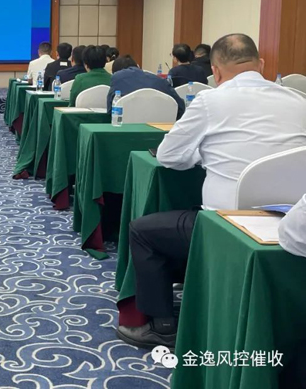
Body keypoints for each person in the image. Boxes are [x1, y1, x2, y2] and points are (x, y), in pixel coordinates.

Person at [117, 34, 306, 350]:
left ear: (215, 72)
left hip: (227, 226)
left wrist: (205, 154)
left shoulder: (210, 101)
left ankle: (162, 326)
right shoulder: (299, 100)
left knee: (143, 232)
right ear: (261, 64)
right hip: (293, 222)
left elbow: (169, 156)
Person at [107, 56, 185, 119]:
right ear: (138, 66)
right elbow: (180, 107)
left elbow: (110, 111)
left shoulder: (116, 78)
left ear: (115, 72)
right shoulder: (160, 80)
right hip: (161, 130)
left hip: (126, 129)